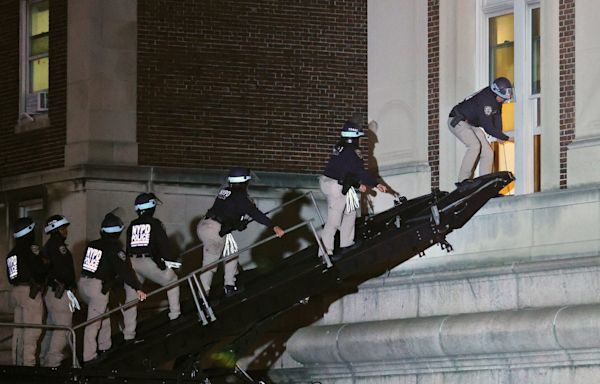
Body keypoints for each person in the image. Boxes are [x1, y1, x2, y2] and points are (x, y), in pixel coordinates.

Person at [196, 167, 285, 297]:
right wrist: (273, 226)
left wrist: (236, 223)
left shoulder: (225, 191)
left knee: (232, 252)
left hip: (206, 225)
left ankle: (230, 284)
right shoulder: (241, 196)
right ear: (244, 182)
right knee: (210, 264)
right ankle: (203, 295)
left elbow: (227, 211)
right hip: (215, 230)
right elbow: (255, 213)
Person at [77, 212, 146, 363]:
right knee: (93, 322)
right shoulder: (115, 248)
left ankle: (105, 346)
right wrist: (138, 287)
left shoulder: (92, 244)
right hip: (98, 287)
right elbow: (126, 271)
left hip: (83, 284)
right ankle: (89, 357)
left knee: (104, 315)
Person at [320, 121, 387, 256]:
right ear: (354, 137)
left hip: (334, 182)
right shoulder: (352, 152)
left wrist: (357, 184)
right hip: (336, 186)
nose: (360, 141)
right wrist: (376, 184)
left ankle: (346, 243)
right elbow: (359, 171)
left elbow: (345, 171)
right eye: (359, 138)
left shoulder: (340, 147)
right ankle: (325, 252)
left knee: (350, 210)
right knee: (334, 220)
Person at [122, 192, 181, 342]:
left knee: (131, 298)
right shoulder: (155, 224)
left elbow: (129, 247)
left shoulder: (132, 225)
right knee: (172, 280)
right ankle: (175, 315)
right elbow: (163, 246)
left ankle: (128, 334)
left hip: (131, 262)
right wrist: (165, 262)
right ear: (152, 207)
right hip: (147, 261)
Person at [448, 77, 515, 183]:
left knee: (488, 153)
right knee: (475, 145)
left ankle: (485, 182)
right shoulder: (486, 100)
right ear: (495, 92)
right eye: (501, 98)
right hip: (457, 121)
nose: (502, 101)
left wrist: (499, 134)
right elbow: (488, 128)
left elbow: (497, 116)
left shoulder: (497, 99)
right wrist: (506, 138)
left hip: (470, 124)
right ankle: (463, 181)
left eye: (504, 99)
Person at [5, 217, 48, 366]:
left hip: (16, 291)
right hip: (30, 292)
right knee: (32, 330)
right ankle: (29, 364)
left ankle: (17, 362)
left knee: (19, 330)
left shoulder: (12, 253)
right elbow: (40, 269)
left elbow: (11, 276)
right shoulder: (32, 249)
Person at [40, 215, 76, 367]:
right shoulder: (58, 247)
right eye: (62, 228)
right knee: (63, 328)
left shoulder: (49, 246)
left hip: (51, 291)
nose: (65, 231)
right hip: (59, 292)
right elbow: (64, 271)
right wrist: (70, 285)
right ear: (55, 231)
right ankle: (53, 362)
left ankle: (44, 360)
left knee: (51, 328)